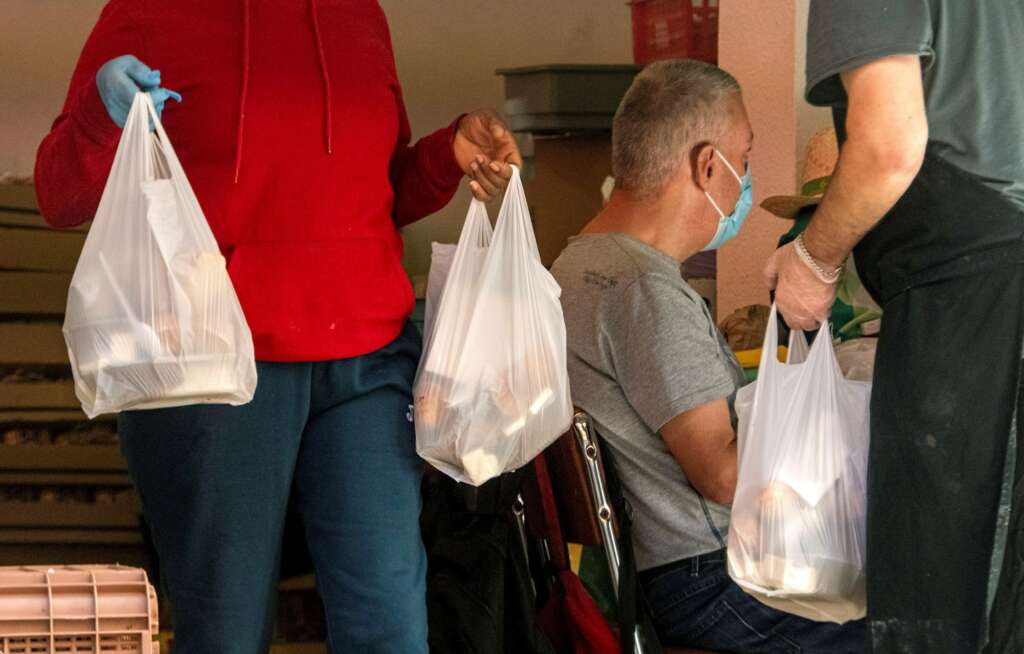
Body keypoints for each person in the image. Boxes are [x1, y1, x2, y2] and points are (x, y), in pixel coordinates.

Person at [34, 2, 521, 652]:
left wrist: (445, 154)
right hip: (213, 372)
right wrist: (102, 111)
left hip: (368, 360)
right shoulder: (148, 13)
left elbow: (372, 195)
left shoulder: (361, 16)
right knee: (226, 634)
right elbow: (58, 195)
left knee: (392, 629)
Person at [550, 59, 867, 653]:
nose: (744, 177)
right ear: (706, 165)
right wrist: (831, 414)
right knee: (924, 616)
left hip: (671, 575)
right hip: (714, 581)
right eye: (743, 159)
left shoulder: (575, 266)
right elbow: (722, 475)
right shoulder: (644, 290)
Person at [766, 2, 1024, 652]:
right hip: (985, 280)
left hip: (972, 298)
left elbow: (887, 145)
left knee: (943, 605)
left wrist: (812, 258)